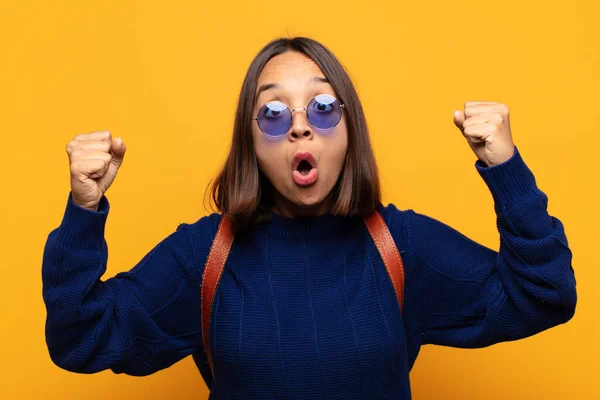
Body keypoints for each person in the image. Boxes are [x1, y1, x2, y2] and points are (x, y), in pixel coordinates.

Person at [42, 37, 577, 399]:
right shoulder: (203, 258)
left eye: (322, 107)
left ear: (349, 130)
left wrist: (505, 168)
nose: (300, 127)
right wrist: (83, 211)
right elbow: (80, 338)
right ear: (250, 141)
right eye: (273, 113)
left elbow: (545, 294)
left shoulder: (403, 247)